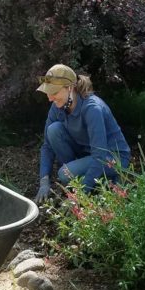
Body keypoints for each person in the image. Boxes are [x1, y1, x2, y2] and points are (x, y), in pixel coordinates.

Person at [33, 64, 131, 202]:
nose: (50, 98)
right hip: (87, 154)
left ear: (70, 88)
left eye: (54, 92)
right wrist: (44, 180)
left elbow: (100, 155)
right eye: (48, 92)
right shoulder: (58, 106)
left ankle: (106, 180)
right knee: (53, 130)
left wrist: (80, 195)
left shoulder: (92, 109)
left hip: (112, 157)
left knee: (64, 173)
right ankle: (82, 178)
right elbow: (47, 146)